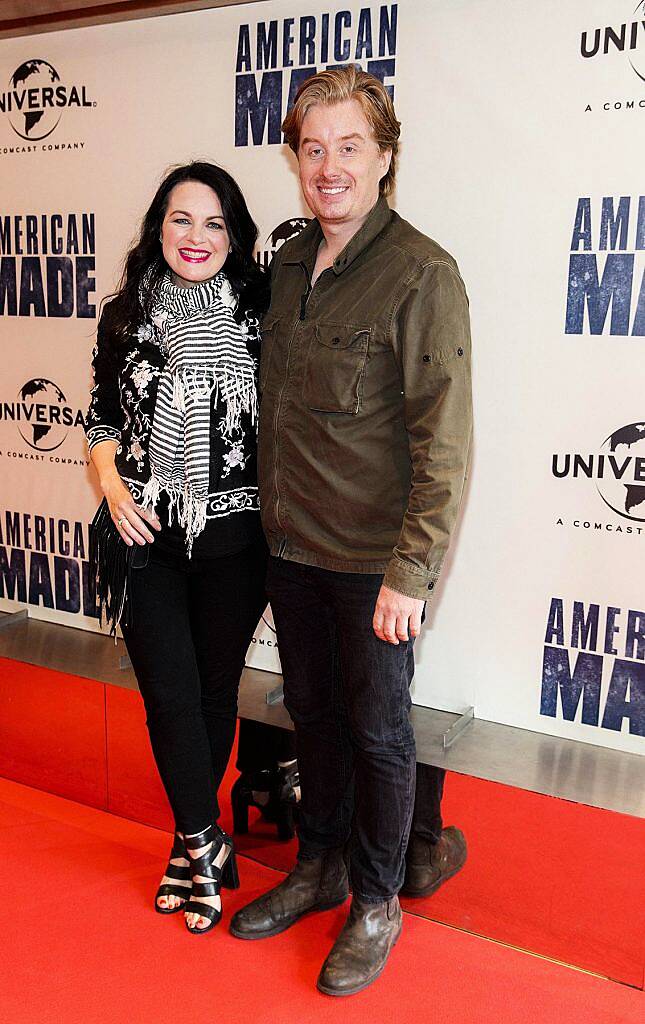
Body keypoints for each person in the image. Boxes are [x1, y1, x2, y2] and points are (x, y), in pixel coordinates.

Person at [230, 67, 472, 996]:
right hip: (290, 548)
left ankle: (376, 899)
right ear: (296, 158)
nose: (328, 167)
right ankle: (318, 864)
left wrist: (411, 574)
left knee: (377, 733)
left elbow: (442, 442)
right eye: (312, 148)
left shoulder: (422, 273)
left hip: (375, 566)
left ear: (384, 158)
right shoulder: (290, 264)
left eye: (349, 148)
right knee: (316, 720)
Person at [86, 161, 269, 934]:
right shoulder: (122, 315)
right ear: (157, 227)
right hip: (145, 536)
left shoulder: (264, 310)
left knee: (211, 695)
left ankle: (185, 847)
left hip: (240, 542)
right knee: (167, 696)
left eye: (214, 223)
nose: (197, 237)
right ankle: (205, 840)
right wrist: (111, 484)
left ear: (235, 236)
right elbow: (99, 417)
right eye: (181, 220)